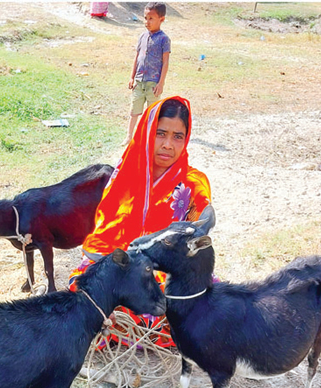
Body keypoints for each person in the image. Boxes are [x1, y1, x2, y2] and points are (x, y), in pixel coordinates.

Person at [70, 96, 211, 347]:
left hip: (163, 272)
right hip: (122, 266)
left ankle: (124, 326)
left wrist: (206, 216)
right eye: (161, 133)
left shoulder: (192, 181)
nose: (168, 145)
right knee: (83, 289)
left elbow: (201, 209)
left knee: (195, 305)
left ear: (186, 139)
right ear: (147, 132)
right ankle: (131, 324)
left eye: (178, 136)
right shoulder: (124, 175)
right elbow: (105, 234)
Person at [121, 2, 171, 146]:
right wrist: (132, 77)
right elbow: (137, 58)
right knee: (134, 111)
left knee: (152, 113)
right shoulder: (142, 36)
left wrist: (161, 83)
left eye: (151, 19)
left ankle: (150, 138)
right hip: (139, 81)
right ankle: (129, 136)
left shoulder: (164, 39)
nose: (146, 22)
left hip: (153, 83)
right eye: (145, 18)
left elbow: (165, 62)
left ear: (161, 19)